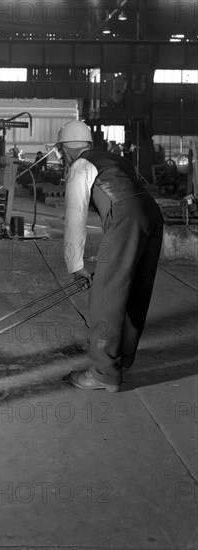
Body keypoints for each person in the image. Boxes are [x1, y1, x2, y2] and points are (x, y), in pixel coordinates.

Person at [58, 120, 164, 392]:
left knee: (108, 292)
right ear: (88, 144)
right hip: (152, 215)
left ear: (64, 150)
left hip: (126, 219)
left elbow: (75, 217)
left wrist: (76, 264)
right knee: (136, 290)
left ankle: (103, 373)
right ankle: (123, 358)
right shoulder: (111, 158)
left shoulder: (78, 166)